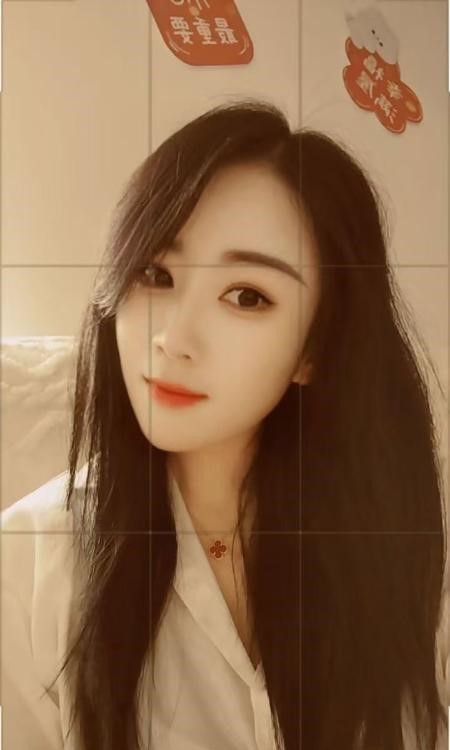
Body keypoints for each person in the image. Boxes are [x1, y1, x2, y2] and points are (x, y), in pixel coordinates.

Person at [1, 100, 448, 750]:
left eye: (247, 296)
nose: (173, 338)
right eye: (155, 274)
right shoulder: (28, 562)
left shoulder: (411, 538)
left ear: (314, 349)